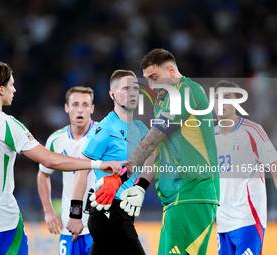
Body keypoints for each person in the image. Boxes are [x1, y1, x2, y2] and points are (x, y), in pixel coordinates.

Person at [0, 60, 123, 255]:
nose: (15, 90)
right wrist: (97, 163)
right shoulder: (7, 124)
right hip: (1, 224)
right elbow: (49, 160)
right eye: (11, 85)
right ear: (1, 90)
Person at [118, 49, 220, 255]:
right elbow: (157, 148)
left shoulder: (188, 91)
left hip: (192, 193)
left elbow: (150, 141)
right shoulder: (163, 103)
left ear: (171, 70)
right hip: (174, 199)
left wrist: (119, 178)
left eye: (155, 78)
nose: (152, 86)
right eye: (148, 80)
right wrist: (141, 185)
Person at [66, 70, 148, 255]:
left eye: (135, 89)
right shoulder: (105, 129)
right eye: (126, 89)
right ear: (112, 94)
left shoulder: (141, 129)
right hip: (108, 209)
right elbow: (81, 170)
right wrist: (75, 214)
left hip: (125, 210)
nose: (133, 93)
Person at [213, 80, 277, 255]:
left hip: (247, 220)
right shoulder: (211, 137)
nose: (221, 102)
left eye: (228, 97)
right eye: (217, 98)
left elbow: (274, 165)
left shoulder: (252, 131)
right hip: (223, 222)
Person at [37, 86, 96, 255]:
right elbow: (43, 174)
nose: (80, 110)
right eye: (75, 104)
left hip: (98, 226)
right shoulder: (56, 140)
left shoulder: (103, 136)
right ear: (66, 108)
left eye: (85, 105)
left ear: (92, 109)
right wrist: (48, 212)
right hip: (69, 226)